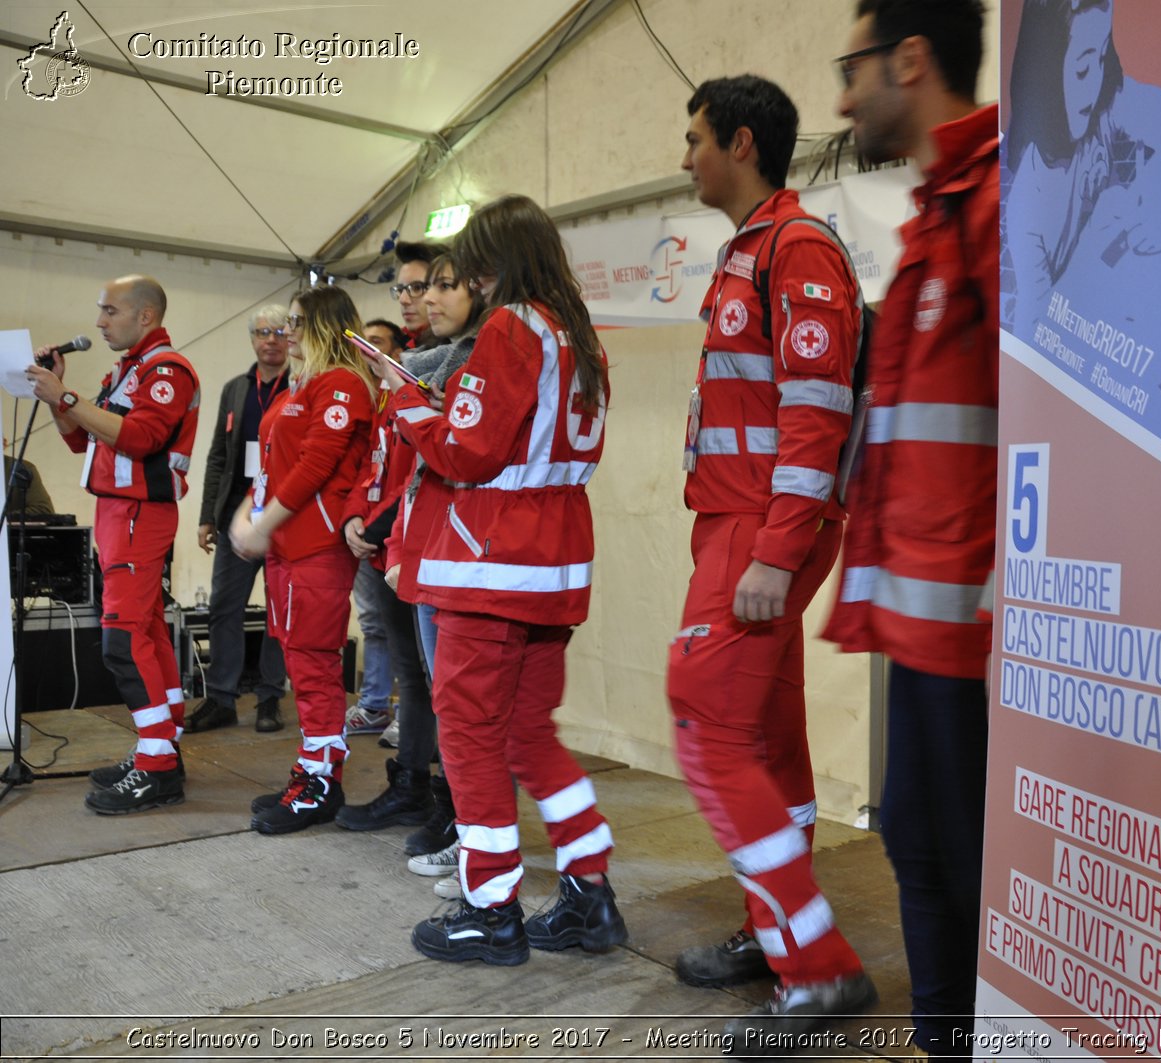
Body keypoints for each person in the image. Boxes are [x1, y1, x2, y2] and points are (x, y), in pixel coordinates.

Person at [667, 75, 875, 1042]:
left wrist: (774, 554)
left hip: (763, 533)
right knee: (767, 737)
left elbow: (815, 412)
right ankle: (776, 925)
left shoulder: (796, 250)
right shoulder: (747, 251)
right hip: (737, 526)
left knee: (705, 725)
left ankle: (819, 963)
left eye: (695, 139)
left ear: (741, 143)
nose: (685, 156)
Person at [367, 194, 625, 966]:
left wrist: (409, 402)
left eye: (478, 262)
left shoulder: (515, 325)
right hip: (552, 559)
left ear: (500, 262)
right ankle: (588, 886)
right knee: (526, 732)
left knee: (472, 733)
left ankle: (489, 905)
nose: (470, 278)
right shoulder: (578, 332)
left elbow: (466, 452)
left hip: (490, 559)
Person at [828, 1, 999, 1057]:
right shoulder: (936, 214)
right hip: (919, 621)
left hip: (978, 634)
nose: (843, 99)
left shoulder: (997, 203)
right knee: (918, 848)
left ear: (911, 57)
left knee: (969, 865)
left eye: (852, 69)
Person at [25, 275, 199, 814]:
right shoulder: (127, 370)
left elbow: (143, 438)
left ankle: (157, 766)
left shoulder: (167, 370)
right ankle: (160, 746)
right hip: (117, 512)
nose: (99, 321)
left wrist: (68, 396)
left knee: (122, 641)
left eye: (110, 311)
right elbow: (80, 436)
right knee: (145, 630)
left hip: (139, 515)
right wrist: (61, 394)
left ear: (145, 316)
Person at [335, 254, 480, 843]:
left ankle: (459, 810)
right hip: (392, 536)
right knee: (415, 675)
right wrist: (356, 515)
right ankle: (417, 787)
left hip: (424, 539)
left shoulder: (444, 367)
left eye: (433, 286)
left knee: (450, 685)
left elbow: (430, 463)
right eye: (408, 287)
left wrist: (381, 526)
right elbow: (374, 457)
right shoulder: (401, 371)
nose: (413, 297)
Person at [231, 286, 376, 835]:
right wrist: (252, 514)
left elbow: (317, 466)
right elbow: (273, 466)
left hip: (314, 546)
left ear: (324, 326)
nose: (285, 331)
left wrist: (261, 525)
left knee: (314, 666)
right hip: (289, 548)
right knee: (301, 662)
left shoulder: (341, 383)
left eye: (296, 322)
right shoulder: (304, 383)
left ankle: (321, 782)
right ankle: (312, 771)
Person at [190, 306, 291, 734]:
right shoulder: (235, 389)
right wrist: (207, 516)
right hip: (237, 513)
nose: (271, 339)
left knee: (276, 611)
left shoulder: (302, 386)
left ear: (291, 339)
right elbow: (217, 455)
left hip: (284, 514)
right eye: (263, 332)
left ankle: (270, 698)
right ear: (252, 339)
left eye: (280, 332)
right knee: (223, 607)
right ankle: (221, 699)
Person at [3, 440, 55, 519]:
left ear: (4, 443)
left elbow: (44, 510)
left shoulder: (22, 469)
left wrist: (4, 518)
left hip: (10, 530)